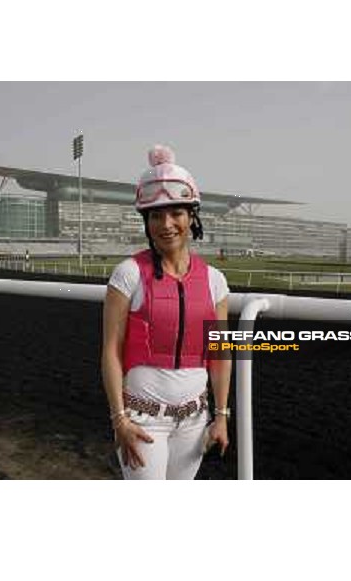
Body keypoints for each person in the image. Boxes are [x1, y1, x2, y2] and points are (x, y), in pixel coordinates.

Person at [102, 144, 232, 480]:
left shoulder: (216, 281)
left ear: (192, 216)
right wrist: (120, 419)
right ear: (146, 221)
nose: (167, 224)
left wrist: (221, 416)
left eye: (176, 213)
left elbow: (221, 354)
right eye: (156, 215)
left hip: (194, 420)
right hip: (142, 422)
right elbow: (110, 352)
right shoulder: (128, 273)